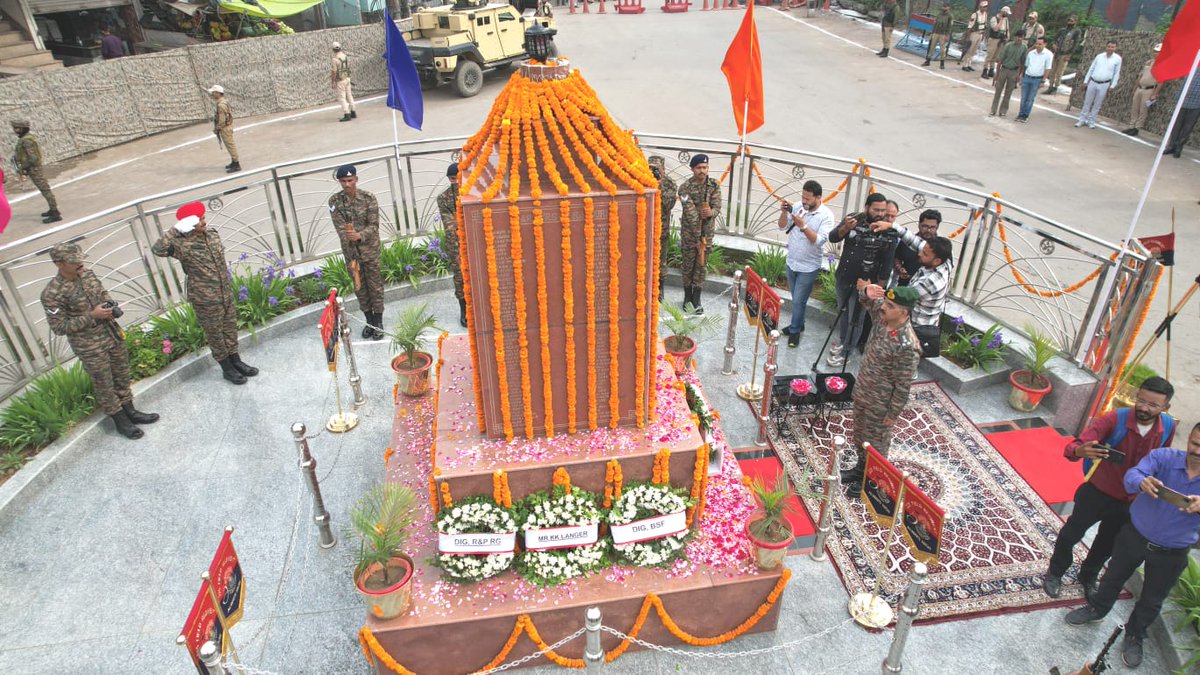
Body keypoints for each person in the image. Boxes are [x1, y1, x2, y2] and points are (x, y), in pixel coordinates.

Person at [1064, 423, 1200, 669]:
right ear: (1189, 439)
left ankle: (1135, 634)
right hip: (1135, 536)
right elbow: (1133, 473)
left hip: (1172, 552)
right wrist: (1141, 482)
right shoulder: (1165, 458)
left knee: (1152, 598)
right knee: (1112, 577)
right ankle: (1098, 608)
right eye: (1195, 443)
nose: (1197, 451)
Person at [1044, 377, 1175, 602]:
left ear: (1165, 407)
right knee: (1070, 535)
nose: (1144, 408)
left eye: (1153, 405)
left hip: (1131, 501)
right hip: (1097, 492)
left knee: (1106, 545)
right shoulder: (1116, 419)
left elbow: (1163, 459)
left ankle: (1088, 577)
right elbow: (1074, 446)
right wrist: (1080, 451)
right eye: (1141, 401)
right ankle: (1055, 572)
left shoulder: (1168, 427)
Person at [40, 242, 159, 439]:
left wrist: (110, 305)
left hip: (111, 334)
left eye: (80, 259)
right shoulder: (52, 293)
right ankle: (120, 421)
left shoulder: (88, 274)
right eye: (74, 262)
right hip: (89, 345)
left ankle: (131, 411)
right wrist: (93, 315)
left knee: (121, 374)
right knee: (104, 382)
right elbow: (59, 327)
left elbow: (103, 293)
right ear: (59, 263)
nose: (80, 264)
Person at [151, 202, 258, 385]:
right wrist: (175, 230)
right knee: (215, 334)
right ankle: (227, 368)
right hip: (205, 298)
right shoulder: (180, 244)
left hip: (224, 292)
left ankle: (236, 361)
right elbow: (158, 249)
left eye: (203, 218)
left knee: (230, 329)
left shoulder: (212, 235)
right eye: (199, 220)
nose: (203, 222)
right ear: (189, 223)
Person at [839, 284, 921, 485]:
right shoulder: (883, 318)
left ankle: (872, 480)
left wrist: (892, 414)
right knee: (859, 436)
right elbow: (868, 301)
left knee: (876, 445)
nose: (883, 306)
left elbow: (903, 386)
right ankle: (860, 470)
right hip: (863, 392)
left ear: (903, 312)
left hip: (881, 404)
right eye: (885, 301)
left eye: (890, 305)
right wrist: (865, 292)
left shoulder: (906, 345)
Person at [826, 193, 898, 368]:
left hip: (865, 285)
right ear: (867, 208)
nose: (880, 214)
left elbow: (887, 266)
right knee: (843, 313)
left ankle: (847, 353)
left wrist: (877, 291)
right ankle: (844, 343)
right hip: (844, 277)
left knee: (856, 319)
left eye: (883, 210)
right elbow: (833, 237)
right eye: (876, 209)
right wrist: (845, 228)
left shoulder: (888, 231)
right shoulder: (854, 219)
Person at [777, 180, 835, 348]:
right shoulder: (797, 207)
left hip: (809, 267)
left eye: (808, 198)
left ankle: (795, 331)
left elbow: (818, 241)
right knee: (796, 299)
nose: (804, 201)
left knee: (798, 301)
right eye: (803, 196)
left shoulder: (826, 216)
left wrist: (803, 226)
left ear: (818, 198)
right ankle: (799, 323)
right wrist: (783, 213)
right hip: (792, 262)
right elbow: (782, 227)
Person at [329, 164, 385, 339]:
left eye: (350, 180)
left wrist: (359, 235)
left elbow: (374, 225)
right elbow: (339, 227)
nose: (347, 184)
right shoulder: (335, 202)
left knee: (375, 286)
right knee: (360, 288)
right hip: (352, 253)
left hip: (369, 250)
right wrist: (349, 237)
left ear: (356, 179)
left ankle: (378, 321)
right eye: (343, 181)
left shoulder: (368, 198)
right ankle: (369, 321)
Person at [890, 226, 953, 357]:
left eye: (924, 254)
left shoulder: (931, 281)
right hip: (920, 321)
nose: (919, 253)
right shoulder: (944, 261)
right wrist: (892, 226)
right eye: (923, 251)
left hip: (917, 327)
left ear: (937, 261)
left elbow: (904, 296)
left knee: (906, 357)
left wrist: (876, 291)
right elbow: (916, 242)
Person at [677, 153, 720, 314]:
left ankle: (697, 297)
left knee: (701, 265)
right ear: (692, 169)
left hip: (707, 234)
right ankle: (687, 296)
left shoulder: (714, 185)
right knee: (688, 265)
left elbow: (717, 206)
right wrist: (697, 238)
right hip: (690, 234)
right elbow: (690, 213)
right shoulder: (685, 188)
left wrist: (710, 213)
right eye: (699, 168)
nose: (702, 171)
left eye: (705, 167)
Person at [10, 119, 60, 223]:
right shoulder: (25, 138)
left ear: (23, 128)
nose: (15, 130)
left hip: (34, 169)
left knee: (45, 189)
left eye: (17, 128)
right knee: (44, 189)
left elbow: (33, 158)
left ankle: (55, 213)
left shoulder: (27, 140)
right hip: (32, 169)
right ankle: (52, 209)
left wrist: (22, 167)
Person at [436, 162, 467, 327]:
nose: (456, 182)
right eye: (453, 178)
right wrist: (459, 222)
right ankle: (464, 309)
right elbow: (449, 224)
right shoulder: (443, 198)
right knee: (460, 276)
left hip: (474, 242)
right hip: (455, 244)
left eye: (459, 178)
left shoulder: (472, 194)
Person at [648, 155, 677, 301]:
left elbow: (668, 205)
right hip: (645, 229)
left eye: (657, 169)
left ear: (663, 169)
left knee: (661, 261)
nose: (654, 172)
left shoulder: (669, 184)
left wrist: (658, 185)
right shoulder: (642, 179)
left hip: (661, 230)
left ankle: (660, 288)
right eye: (651, 168)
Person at [1075, 41, 1122, 129]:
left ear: (1115, 48)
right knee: (1087, 102)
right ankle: (1081, 119)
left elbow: (1116, 73)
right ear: (1106, 46)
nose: (1110, 48)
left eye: (1112, 47)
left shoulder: (1117, 59)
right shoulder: (1099, 56)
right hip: (1093, 81)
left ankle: (1091, 121)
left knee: (1097, 104)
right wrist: (1086, 81)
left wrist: (1112, 86)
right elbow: (1091, 68)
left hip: (1104, 83)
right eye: (1109, 46)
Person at [1123, 44, 1164, 136]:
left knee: (1143, 109)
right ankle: (1131, 126)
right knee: (1135, 108)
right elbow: (1140, 75)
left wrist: (1155, 94)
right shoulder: (1148, 62)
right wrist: (1135, 88)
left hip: (1149, 89)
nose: (1155, 53)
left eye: (1158, 52)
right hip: (1140, 87)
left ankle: (1137, 128)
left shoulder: (1161, 64)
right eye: (1154, 51)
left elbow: (1161, 81)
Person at [893, 209, 940, 286]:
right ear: (919, 225)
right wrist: (900, 269)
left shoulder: (940, 249)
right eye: (925, 226)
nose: (928, 230)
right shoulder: (906, 241)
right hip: (903, 286)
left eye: (932, 227)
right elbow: (896, 257)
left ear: (937, 227)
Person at [1163, 70, 1200, 159]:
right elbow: (1183, 84)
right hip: (1182, 101)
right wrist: (1178, 98)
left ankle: (1178, 147)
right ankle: (1171, 146)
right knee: (1176, 124)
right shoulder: (1193, 68)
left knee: (1188, 127)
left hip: (1197, 103)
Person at [990, 30, 1027, 117]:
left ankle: (1003, 111)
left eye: (1021, 37)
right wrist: (997, 74)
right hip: (1004, 69)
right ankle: (993, 110)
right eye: (1017, 36)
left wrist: (1019, 74)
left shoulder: (1024, 47)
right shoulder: (1008, 46)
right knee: (998, 90)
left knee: (1008, 93)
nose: (1019, 38)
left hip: (1014, 71)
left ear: (1023, 37)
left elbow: (1022, 63)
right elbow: (1000, 61)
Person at [1016, 37, 1053, 123]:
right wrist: (1022, 77)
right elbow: (1026, 66)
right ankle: (1020, 114)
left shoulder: (1048, 55)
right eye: (1036, 43)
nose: (1037, 46)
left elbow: (1047, 69)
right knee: (1024, 98)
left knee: (1030, 98)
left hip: (1037, 79)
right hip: (1027, 77)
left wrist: (1043, 81)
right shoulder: (1031, 53)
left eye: (1040, 44)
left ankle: (1025, 115)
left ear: (1045, 44)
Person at [1045, 14, 1081, 95]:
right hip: (1057, 53)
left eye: (1071, 21)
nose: (1069, 22)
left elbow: (1075, 44)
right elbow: (1055, 39)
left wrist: (1069, 55)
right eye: (1069, 20)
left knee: (1060, 72)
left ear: (1075, 22)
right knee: (1052, 70)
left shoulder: (1076, 31)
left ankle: (1056, 87)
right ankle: (1050, 86)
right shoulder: (1062, 30)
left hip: (1065, 54)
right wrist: (1054, 44)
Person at [208, 85, 240, 173]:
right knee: (230, 145)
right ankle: (234, 162)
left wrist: (217, 128)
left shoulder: (221, 105)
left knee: (230, 146)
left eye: (214, 93)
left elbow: (222, 120)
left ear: (218, 93)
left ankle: (236, 164)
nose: (212, 95)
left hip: (225, 128)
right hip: (226, 127)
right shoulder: (222, 102)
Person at [981, 6, 1012, 80]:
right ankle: (985, 70)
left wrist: (1007, 38)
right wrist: (1001, 19)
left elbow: (1007, 29)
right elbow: (996, 29)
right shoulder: (994, 18)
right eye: (1006, 13)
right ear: (1003, 12)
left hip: (1001, 40)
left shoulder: (1006, 20)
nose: (1007, 15)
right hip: (994, 39)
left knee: (996, 56)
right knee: (990, 55)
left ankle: (991, 70)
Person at [959, 1, 989, 72]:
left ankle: (969, 64)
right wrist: (968, 37)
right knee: (970, 49)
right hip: (974, 34)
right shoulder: (975, 15)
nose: (985, 8)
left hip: (980, 34)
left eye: (986, 7)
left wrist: (983, 35)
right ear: (980, 7)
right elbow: (970, 26)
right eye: (984, 7)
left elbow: (985, 25)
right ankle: (965, 65)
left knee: (974, 50)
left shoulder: (985, 14)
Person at [331, 42, 357, 123]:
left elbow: (334, 72)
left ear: (333, 49)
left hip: (341, 80)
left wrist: (333, 82)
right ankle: (353, 111)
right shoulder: (345, 56)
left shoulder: (335, 59)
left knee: (342, 97)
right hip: (347, 78)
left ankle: (347, 114)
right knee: (349, 95)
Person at [922, 3, 952, 69]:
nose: (944, 8)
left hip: (943, 34)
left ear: (948, 8)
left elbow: (949, 27)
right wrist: (932, 32)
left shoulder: (950, 16)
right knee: (931, 47)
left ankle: (942, 63)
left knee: (942, 50)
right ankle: (928, 61)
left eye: (946, 7)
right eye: (943, 6)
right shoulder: (939, 14)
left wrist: (947, 35)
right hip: (936, 33)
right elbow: (935, 24)